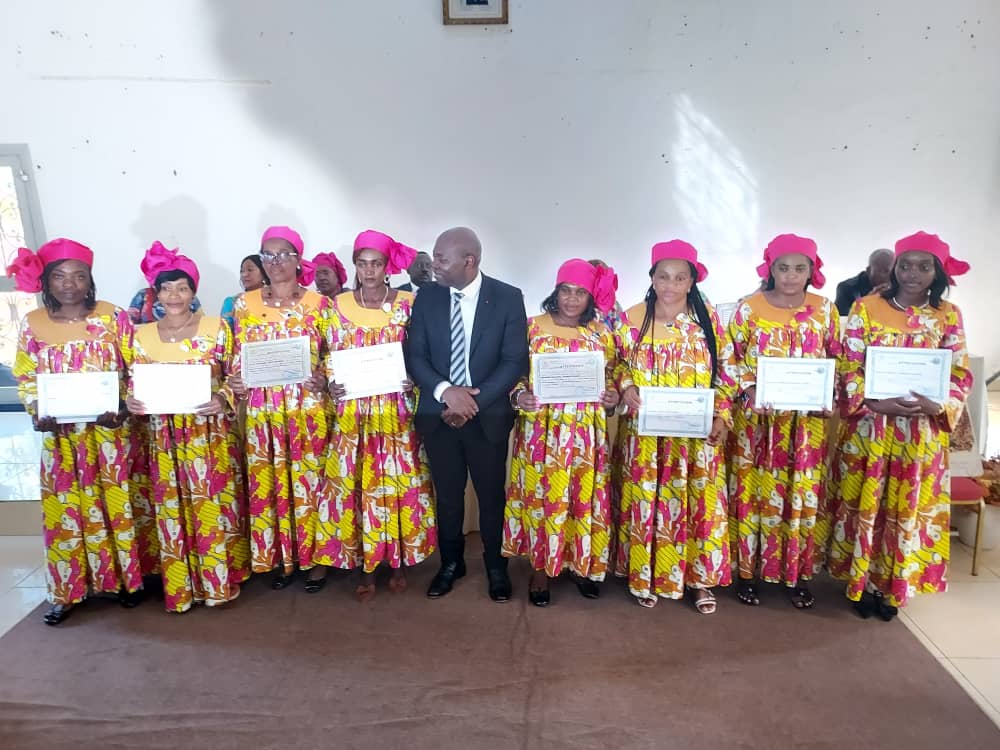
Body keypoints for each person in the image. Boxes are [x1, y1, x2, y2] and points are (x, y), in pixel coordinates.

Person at [826, 231, 971, 621]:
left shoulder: (948, 316)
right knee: (866, 507)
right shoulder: (867, 307)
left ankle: (892, 588)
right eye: (905, 265)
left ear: (937, 272)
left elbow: (959, 373)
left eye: (924, 266)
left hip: (919, 434)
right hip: (870, 428)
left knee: (903, 509)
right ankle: (861, 585)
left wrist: (938, 403)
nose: (912, 273)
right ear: (894, 267)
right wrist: (870, 401)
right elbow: (848, 363)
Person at [8, 239, 154, 625]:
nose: (69, 284)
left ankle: (126, 582)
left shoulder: (112, 317)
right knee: (66, 510)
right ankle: (69, 591)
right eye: (59, 276)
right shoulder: (33, 324)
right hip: (62, 439)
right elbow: (24, 377)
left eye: (78, 275)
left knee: (116, 506)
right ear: (47, 281)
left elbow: (136, 367)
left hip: (109, 435)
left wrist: (123, 408)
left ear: (90, 279)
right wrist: (39, 412)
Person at [125, 242, 250, 612]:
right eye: (166, 288)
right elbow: (134, 384)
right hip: (163, 439)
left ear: (193, 291)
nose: (174, 295)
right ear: (156, 294)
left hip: (207, 436)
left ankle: (217, 582)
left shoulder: (217, 328)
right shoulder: (140, 335)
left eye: (182, 287)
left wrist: (223, 396)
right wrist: (132, 401)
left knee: (211, 506)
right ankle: (180, 587)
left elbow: (238, 375)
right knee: (171, 509)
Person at [406, 227, 529, 602]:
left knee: (492, 495)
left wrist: (472, 401)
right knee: (447, 496)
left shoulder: (507, 297)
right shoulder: (426, 297)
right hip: (438, 414)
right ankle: (450, 563)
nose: (434, 265)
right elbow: (416, 356)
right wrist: (447, 393)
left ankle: (496, 567)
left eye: (441, 258)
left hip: (487, 415)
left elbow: (513, 360)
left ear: (468, 261)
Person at [612, 241, 735, 611]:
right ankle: (644, 574)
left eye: (680, 277)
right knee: (647, 503)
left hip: (695, 439)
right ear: (651, 278)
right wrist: (627, 385)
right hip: (647, 438)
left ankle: (699, 581)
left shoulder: (707, 321)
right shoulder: (632, 318)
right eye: (663, 276)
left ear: (691, 282)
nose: (670, 284)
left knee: (699, 504)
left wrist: (722, 416)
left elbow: (727, 371)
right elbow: (616, 364)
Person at [314, 230, 436, 599]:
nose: (369, 271)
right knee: (356, 485)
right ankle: (364, 565)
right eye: (362, 263)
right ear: (354, 266)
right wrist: (332, 380)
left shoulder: (407, 304)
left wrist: (413, 378)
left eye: (376, 263)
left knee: (396, 482)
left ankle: (396, 559)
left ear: (387, 267)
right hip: (354, 411)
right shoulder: (335, 306)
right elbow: (326, 354)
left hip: (394, 411)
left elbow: (422, 351)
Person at [727, 234, 840, 610]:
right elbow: (731, 361)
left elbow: (839, 361)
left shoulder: (826, 310)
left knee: (801, 497)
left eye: (800, 268)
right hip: (757, 426)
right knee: (753, 495)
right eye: (783, 267)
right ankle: (747, 573)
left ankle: (798, 575)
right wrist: (750, 390)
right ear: (769, 269)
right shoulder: (747, 308)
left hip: (805, 429)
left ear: (812, 271)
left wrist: (829, 397)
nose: (791, 276)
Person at [503, 258, 619, 606]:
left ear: (590, 297)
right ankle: (540, 568)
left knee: (582, 499)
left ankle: (582, 565)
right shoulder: (531, 328)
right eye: (565, 291)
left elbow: (612, 374)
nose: (571, 299)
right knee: (543, 499)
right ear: (555, 292)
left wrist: (612, 395)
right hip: (543, 433)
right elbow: (514, 372)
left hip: (586, 435)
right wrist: (518, 395)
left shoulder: (601, 332)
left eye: (580, 292)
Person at [229, 226, 331, 591]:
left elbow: (333, 355)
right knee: (269, 484)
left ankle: (316, 561)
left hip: (306, 409)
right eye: (267, 255)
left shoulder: (320, 305)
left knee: (309, 484)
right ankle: (281, 558)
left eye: (284, 254)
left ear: (298, 260)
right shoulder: (244, 304)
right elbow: (236, 355)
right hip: (263, 412)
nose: (275, 263)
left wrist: (322, 375)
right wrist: (236, 378)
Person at [127, 245, 202, 325]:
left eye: (182, 289)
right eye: (166, 288)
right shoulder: (143, 296)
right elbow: (128, 326)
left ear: (193, 293)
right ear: (156, 289)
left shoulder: (193, 301)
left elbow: (203, 326)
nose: (174, 295)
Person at [834, 248, 893, 316]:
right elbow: (842, 321)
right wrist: (866, 303)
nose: (889, 276)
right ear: (868, 271)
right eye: (883, 271)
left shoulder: (900, 286)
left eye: (892, 272)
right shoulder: (847, 288)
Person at [220, 254, 268, 328]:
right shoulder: (232, 302)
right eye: (242, 271)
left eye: (250, 270)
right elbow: (225, 331)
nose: (244, 274)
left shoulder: (274, 300)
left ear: (264, 272)